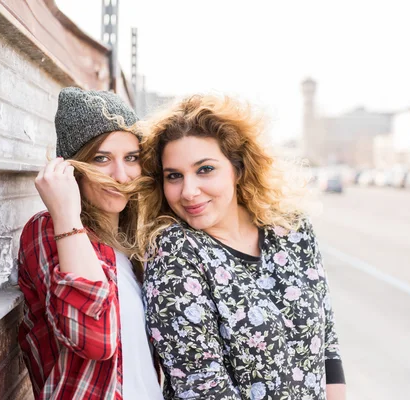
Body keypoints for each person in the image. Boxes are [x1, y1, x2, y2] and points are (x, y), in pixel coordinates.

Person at [139, 94, 346, 400]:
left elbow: (327, 344)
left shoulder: (293, 230)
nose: (189, 191)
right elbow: (202, 388)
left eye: (205, 169)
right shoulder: (175, 252)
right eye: (174, 176)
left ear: (236, 168)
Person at [18, 87, 163, 400]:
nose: (121, 175)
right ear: (73, 167)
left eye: (131, 158)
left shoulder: (136, 242)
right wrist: (67, 214)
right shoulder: (49, 229)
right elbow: (95, 340)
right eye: (101, 159)